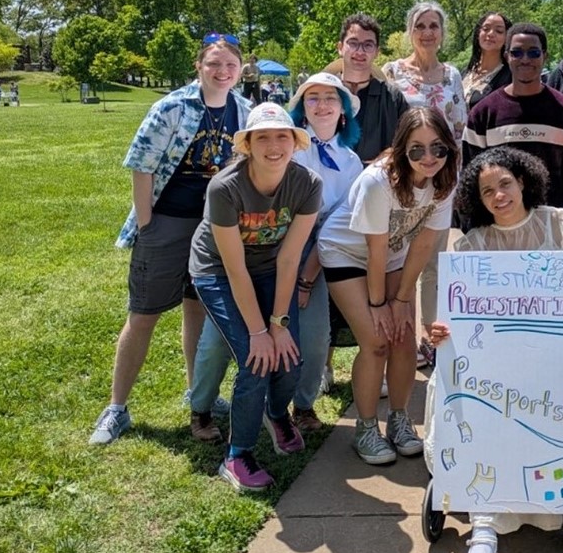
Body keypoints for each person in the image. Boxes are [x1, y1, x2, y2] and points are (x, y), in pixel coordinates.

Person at [426, 147, 563, 553]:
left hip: (553, 359)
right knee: (467, 396)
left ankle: (548, 498)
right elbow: (455, 312)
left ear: (523, 181)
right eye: (487, 190)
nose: (498, 196)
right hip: (493, 366)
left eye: (504, 184)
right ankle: (484, 533)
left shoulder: (559, 223)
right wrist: (441, 330)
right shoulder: (474, 244)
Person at [91, 33, 255, 445]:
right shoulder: (173, 107)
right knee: (143, 315)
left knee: (197, 312)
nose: (222, 71)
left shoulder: (244, 110)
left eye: (230, 64)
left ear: (240, 69)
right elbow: (142, 165)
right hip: (167, 222)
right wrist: (148, 225)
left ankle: (196, 392)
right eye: (214, 63)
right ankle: (116, 408)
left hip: (213, 229)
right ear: (199, 66)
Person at [189, 102, 321, 490]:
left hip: (271, 267)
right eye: (262, 137)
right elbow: (233, 268)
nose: (274, 145)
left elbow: (290, 257)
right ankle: (238, 454)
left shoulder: (308, 184)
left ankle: (277, 414)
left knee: (290, 353)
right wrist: (259, 332)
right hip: (217, 270)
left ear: (295, 143)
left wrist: (279, 325)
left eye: (283, 136)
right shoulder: (225, 187)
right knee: (256, 359)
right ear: (247, 144)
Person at [317, 107, 459, 465]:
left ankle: (399, 420)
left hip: (395, 254)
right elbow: (373, 249)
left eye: (438, 148)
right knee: (377, 340)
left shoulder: (445, 180)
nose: (429, 158)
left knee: (403, 335)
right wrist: (382, 305)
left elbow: (424, 244)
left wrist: (403, 299)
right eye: (417, 150)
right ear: (401, 150)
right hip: (346, 252)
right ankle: (366, 428)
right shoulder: (379, 181)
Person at [383, 1, 468, 362]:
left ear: (442, 32)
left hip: (441, 180)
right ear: (410, 31)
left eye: (434, 25)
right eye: (420, 25)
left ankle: (429, 339)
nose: (428, 32)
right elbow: (389, 127)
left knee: (433, 263)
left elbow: (459, 129)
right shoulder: (391, 72)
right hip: (403, 181)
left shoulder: (452, 75)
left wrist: (454, 179)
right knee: (400, 261)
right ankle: (400, 340)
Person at [287, 73, 363, 432]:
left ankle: (302, 405)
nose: (321, 105)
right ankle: (267, 403)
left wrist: (308, 276)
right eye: (312, 98)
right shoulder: (286, 150)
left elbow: (339, 224)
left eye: (330, 98)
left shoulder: (351, 163)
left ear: (343, 110)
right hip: (285, 245)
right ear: (302, 108)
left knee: (317, 335)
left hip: (328, 249)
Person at [463, 23, 563, 219]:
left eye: (533, 53)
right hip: (499, 226)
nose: (525, 59)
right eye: (517, 52)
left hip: (552, 225)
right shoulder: (483, 114)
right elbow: (471, 177)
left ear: (544, 56)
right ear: (506, 56)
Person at [325, 14, 411, 165]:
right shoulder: (321, 94)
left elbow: (409, 142)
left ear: (377, 51)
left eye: (368, 45)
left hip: (379, 184)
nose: (360, 51)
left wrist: (387, 156)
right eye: (353, 43)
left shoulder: (393, 99)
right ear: (340, 48)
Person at [462, 11, 512, 110]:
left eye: (499, 31)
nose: (491, 34)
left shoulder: (510, 77)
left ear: (507, 38)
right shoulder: (464, 73)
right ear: (478, 33)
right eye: (486, 29)